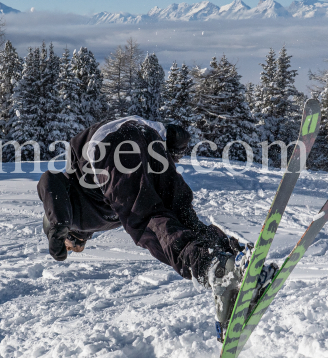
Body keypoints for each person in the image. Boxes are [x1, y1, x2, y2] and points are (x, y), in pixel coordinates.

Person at [37, 116, 271, 342]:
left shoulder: (74, 213)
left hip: (111, 146)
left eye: (71, 245)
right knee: (183, 218)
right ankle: (233, 261)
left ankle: (214, 269)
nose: (75, 248)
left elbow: (49, 181)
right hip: (148, 138)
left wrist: (57, 225)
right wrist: (172, 141)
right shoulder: (93, 221)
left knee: (146, 220)